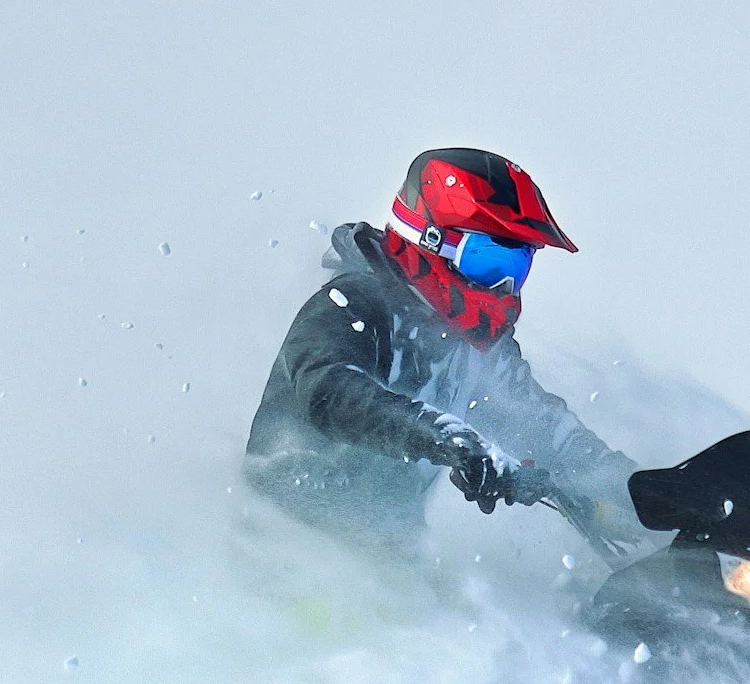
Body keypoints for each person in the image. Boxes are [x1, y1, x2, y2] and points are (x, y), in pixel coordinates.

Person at [245, 148, 646, 560]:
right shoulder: (351, 304)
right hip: (283, 555)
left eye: (517, 264)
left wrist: (643, 492)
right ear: (431, 241)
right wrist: (447, 438)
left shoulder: (473, 348)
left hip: (388, 568)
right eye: (488, 261)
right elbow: (329, 389)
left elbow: (546, 427)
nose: (504, 284)